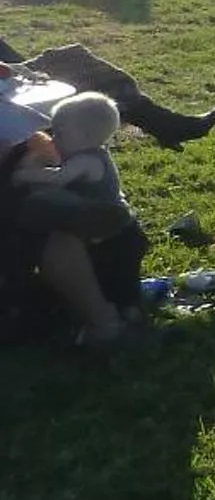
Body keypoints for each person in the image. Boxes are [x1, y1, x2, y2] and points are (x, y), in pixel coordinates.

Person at [4, 94, 148, 345]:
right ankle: (127, 312)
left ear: (85, 136)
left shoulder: (87, 159)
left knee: (45, 209)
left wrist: (26, 175)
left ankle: (111, 321)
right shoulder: (87, 154)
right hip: (119, 231)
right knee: (122, 283)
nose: (54, 139)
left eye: (60, 133)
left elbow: (59, 177)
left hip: (109, 221)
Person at [0, 32, 215, 146]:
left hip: (13, 79)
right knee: (70, 58)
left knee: (71, 57)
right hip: (10, 88)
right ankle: (164, 124)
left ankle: (161, 122)